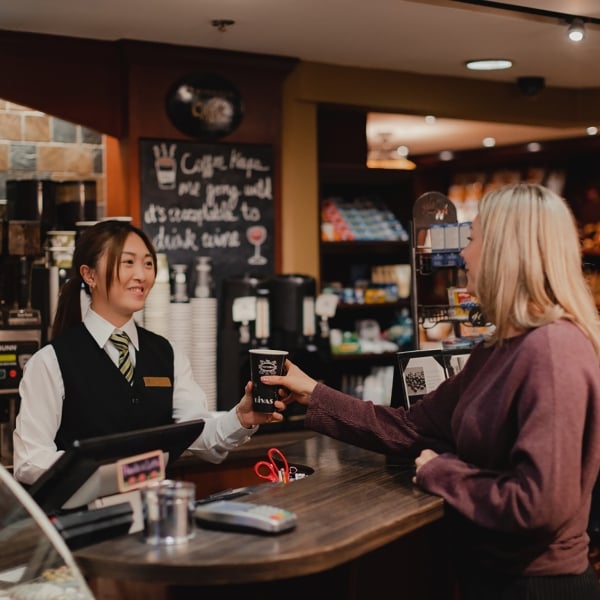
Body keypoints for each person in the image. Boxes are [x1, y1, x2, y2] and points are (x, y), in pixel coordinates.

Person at [262, 183, 600, 599]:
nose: (462, 254)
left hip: (536, 586)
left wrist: (442, 472)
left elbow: (538, 506)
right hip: (490, 577)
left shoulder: (551, 350)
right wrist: (313, 391)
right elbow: (410, 427)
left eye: (472, 239)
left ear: (505, 251)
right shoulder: (499, 349)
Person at [13, 219, 281, 486]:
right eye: (128, 262)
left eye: (148, 263)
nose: (141, 275)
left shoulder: (167, 354)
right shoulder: (50, 362)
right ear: (89, 275)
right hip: (82, 520)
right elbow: (30, 461)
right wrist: (108, 471)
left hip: (153, 516)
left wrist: (241, 419)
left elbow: (199, 436)